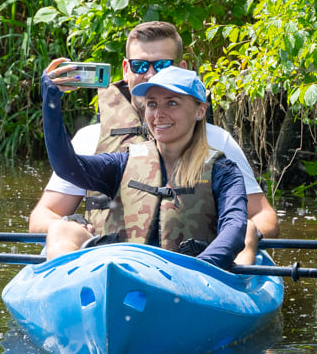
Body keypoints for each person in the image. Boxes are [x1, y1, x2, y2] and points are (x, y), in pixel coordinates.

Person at [28, 21, 278, 264]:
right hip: (110, 263)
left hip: (196, 265)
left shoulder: (219, 155)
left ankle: (241, 278)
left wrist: (221, 254)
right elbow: (57, 185)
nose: (150, 73)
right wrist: (51, 102)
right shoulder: (110, 153)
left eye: (162, 65)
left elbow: (255, 218)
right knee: (61, 230)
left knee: (246, 229)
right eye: (139, 66)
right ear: (126, 69)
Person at [42, 65, 248, 269]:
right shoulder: (123, 163)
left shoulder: (224, 172)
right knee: (61, 228)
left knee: (250, 232)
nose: (159, 114)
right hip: (127, 270)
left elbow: (235, 228)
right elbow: (66, 166)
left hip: (190, 275)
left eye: (172, 103)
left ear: (200, 110)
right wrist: (51, 100)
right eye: (152, 104)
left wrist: (200, 270)